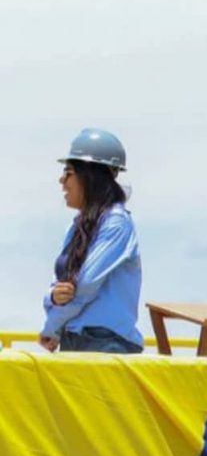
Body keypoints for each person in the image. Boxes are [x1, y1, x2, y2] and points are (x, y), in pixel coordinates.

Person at [39, 128, 144, 354]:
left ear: (89, 177)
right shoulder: (76, 227)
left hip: (107, 344)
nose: (61, 181)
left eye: (68, 172)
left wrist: (51, 327)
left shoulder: (117, 224)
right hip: (76, 340)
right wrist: (53, 297)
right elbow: (60, 284)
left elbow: (84, 286)